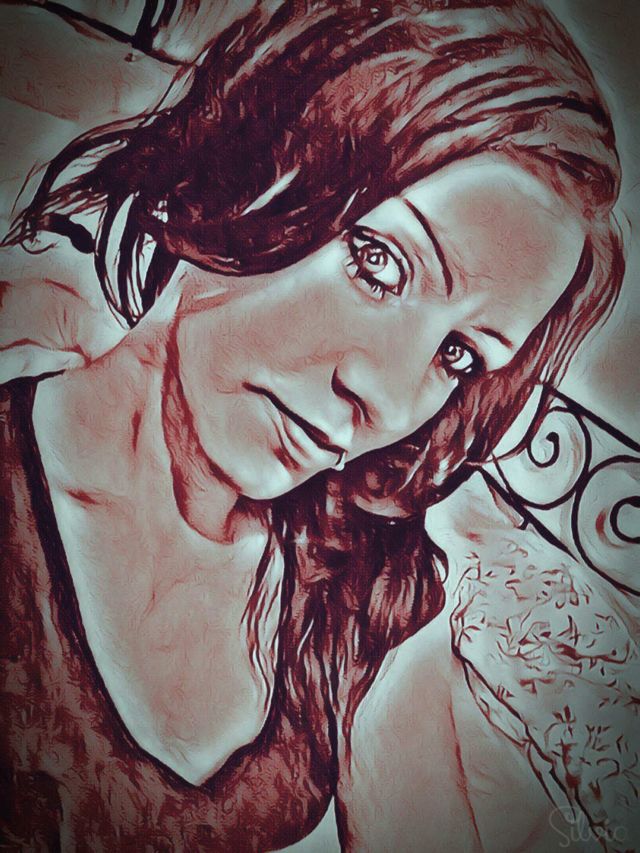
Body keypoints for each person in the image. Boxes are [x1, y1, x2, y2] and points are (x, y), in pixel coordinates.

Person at [0, 0, 631, 849]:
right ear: (242, 167)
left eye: (458, 355)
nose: (387, 398)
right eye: (379, 263)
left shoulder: (363, 587)